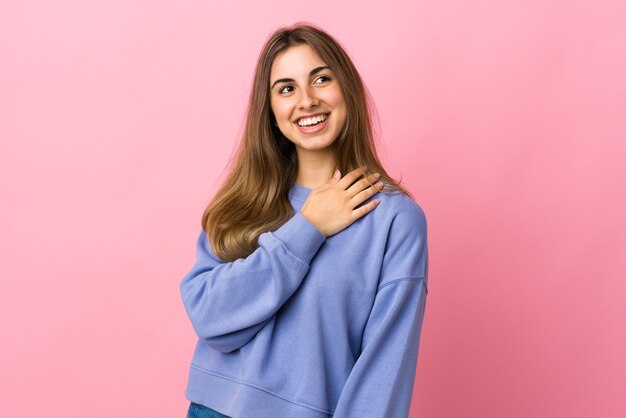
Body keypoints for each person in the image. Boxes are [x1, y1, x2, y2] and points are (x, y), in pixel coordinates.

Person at [180, 22, 429, 418]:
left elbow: (386, 367)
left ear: (346, 88)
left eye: (321, 79)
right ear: (271, 109)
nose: (307, 100)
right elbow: (211, 319)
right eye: (286, 88)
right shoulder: (242, 202)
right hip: (212, 410)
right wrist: (308, 227)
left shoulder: (394, 220)